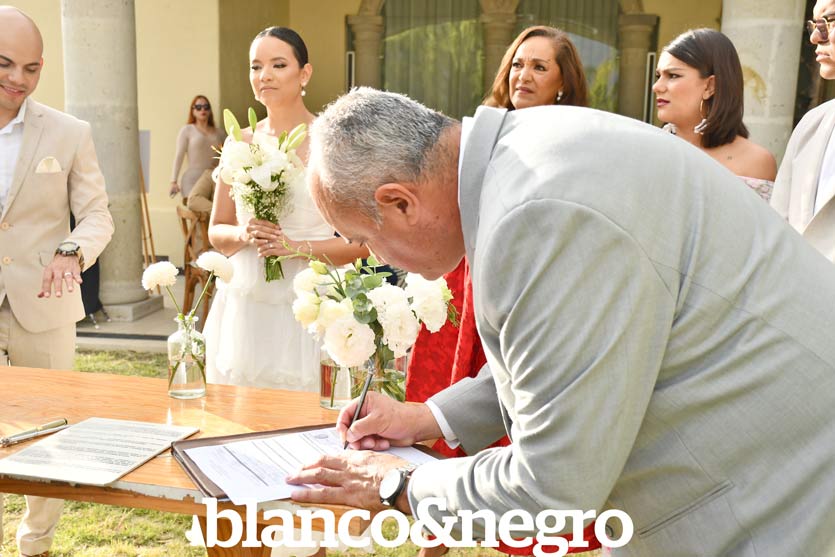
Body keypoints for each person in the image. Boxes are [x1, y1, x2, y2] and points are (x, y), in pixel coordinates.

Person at [285, 87, 835, 556]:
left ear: (400, 202)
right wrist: (428, 417)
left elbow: (552, 486)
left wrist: (400, 486)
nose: (375, 255)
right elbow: (575, 356)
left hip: (775, 492)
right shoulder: (526, 153)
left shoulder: (535, 217)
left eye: (364, 238)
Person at [404, 26, 597, 556]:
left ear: (563, 81)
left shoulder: (576, 136)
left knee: (517, 402)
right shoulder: (482, 132)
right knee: (450, 400)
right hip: (469, 280)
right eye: (517, 64)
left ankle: (525, 534)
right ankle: (432, 535)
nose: (523, 75)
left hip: (529, 279)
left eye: (539, 66)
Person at [0, 6, 114, 557]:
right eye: (4, 64)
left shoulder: (70, 132)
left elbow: (97, 214)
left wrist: (72, 251)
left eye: (31, 68)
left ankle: (35, 544)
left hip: (43, 305)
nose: (18, 79)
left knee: (49, 431)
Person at [204, 27, 367, 402]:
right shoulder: (239, 141)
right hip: (247, 300)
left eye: (278, 65)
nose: (265, 75)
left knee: (311, 404)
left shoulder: (333, 144)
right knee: (244, 408)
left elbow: (362, 245)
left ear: (304, 73)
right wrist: (245, 234)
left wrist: (295, 247)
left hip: (312, 296)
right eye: (256, 66)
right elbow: (217, 232)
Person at [653, 28, 776, 200]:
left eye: (673, 75)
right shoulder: (649, 148)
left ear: (710, 86)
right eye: (658, 76)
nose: (657, 87)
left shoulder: (756, 162)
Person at [771, 0, 835, 262]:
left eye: (829, 21)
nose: (815, 37)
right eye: (814, 24)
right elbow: (779, 228)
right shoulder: (812, 125)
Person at [169, 94, 224, 200]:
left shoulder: (219, 133)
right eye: (198, 107)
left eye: (206, 107)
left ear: (210, 110)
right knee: (194, 204)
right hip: (192, 179)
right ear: (193, 111)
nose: (202, 110)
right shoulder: (187, 130)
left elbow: (228, 155)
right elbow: (179, 156)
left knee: (213, 208)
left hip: (212, 178)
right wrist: (173, 181)